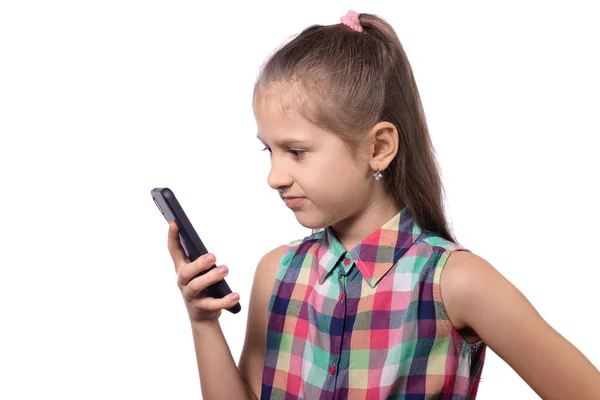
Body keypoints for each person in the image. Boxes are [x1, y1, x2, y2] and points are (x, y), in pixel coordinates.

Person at [166, 10, 600, 400]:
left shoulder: (456, 283)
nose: (274, 177)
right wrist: (204, 323)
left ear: (379, 147)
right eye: (270, 151)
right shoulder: (276, 274)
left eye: (296, 151)